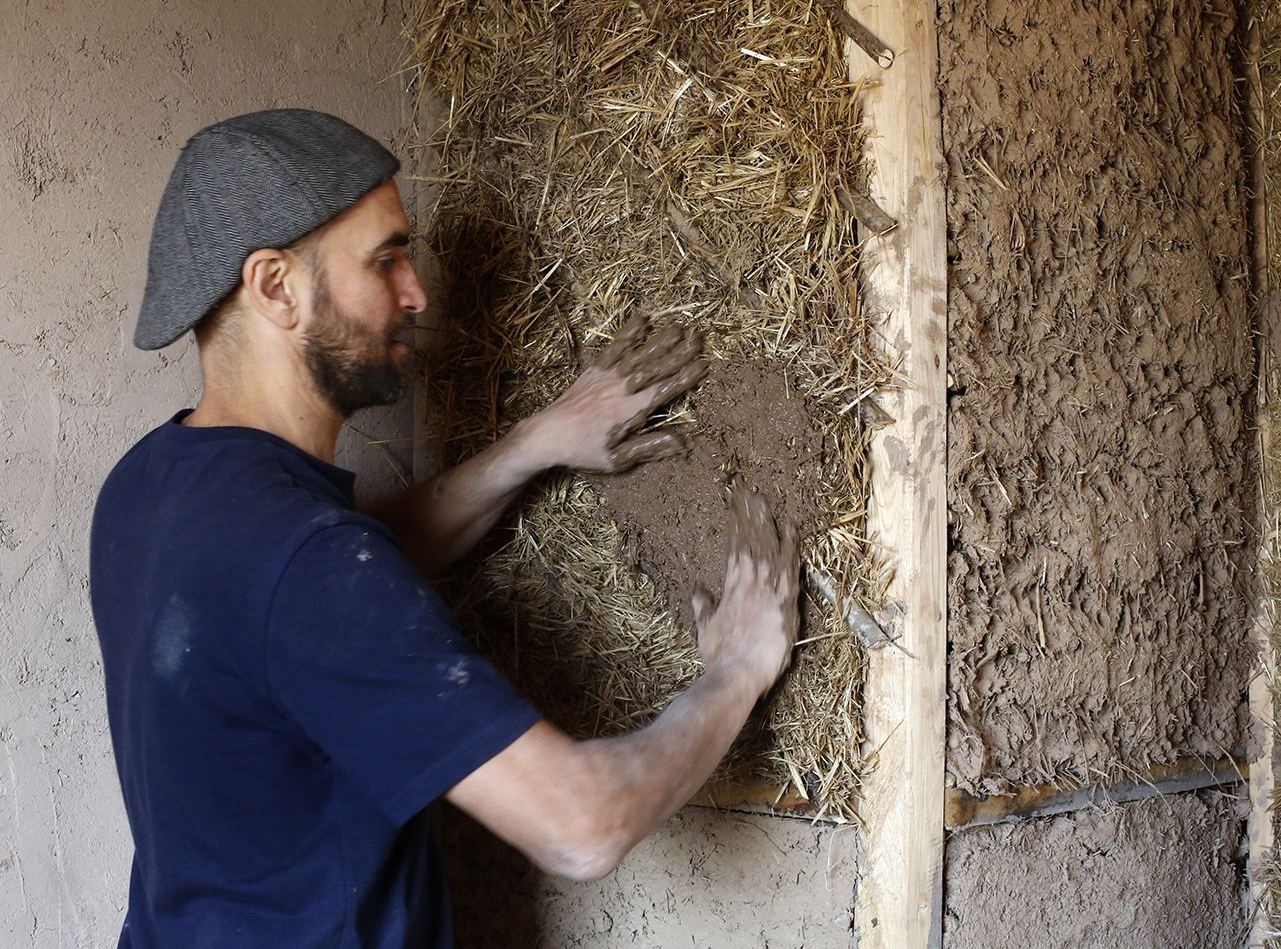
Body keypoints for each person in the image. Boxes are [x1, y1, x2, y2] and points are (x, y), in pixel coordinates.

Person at [89, 108, 800, 948]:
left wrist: (532, 446)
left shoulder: (150, 484)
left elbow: (306, 598)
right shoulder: (312, 566)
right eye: (384, 259)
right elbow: (584, 826)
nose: (416, 291)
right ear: (275, 286)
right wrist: (738, 672)